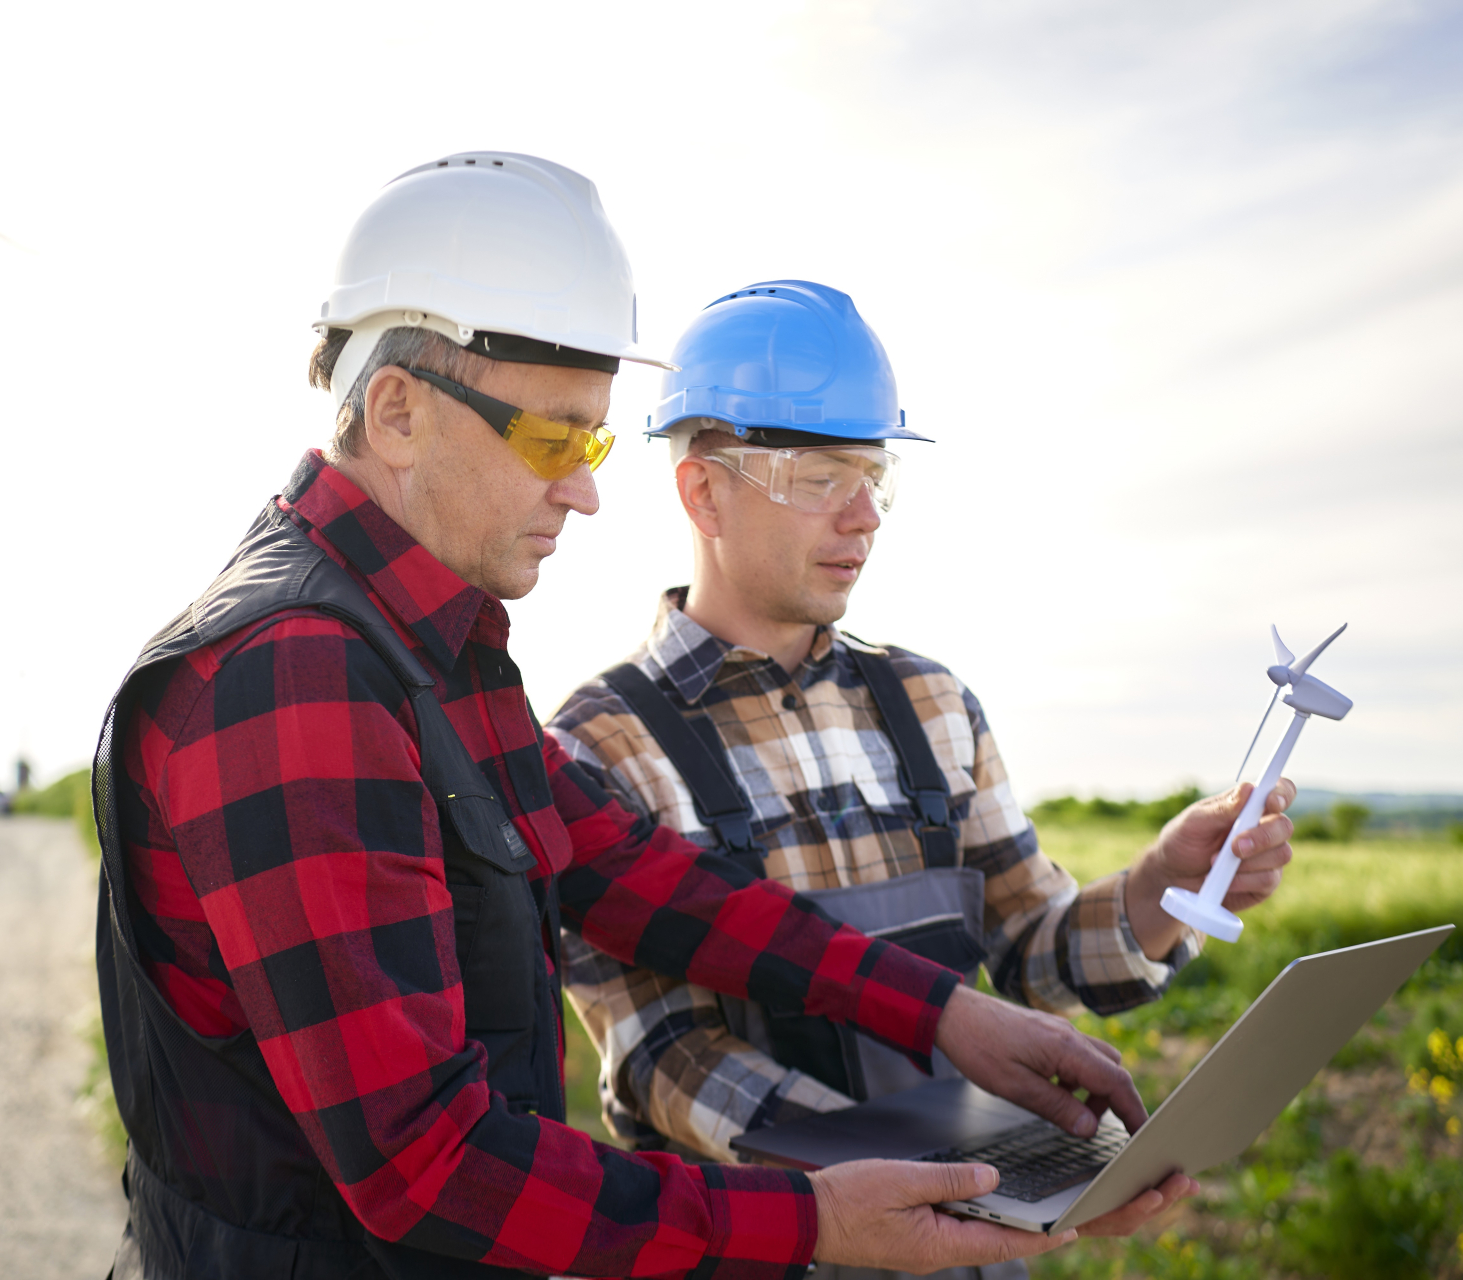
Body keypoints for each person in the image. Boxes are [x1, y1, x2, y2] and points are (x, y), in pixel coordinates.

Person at [92, 159, 1194, 1280]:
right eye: (553, 439)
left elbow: (637, 877)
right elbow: (428, 1161)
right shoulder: (298, 676)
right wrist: (809, 1219)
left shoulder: (430, 647)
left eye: (596, 441)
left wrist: (947, 1013)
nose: (585, 489)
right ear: (398, 409)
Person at [549, 280, 1295, 1278]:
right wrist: (944, 1177)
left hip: (973, 1246)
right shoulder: (604, 746)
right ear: (703, 490)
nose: (865, 515)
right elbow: (666, 1059)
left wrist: (1164, 884)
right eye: (821, 476)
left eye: (875, 473)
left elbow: (1033, 956)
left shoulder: (932, 703)